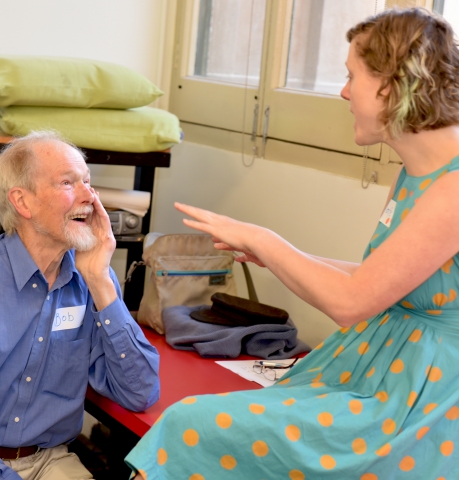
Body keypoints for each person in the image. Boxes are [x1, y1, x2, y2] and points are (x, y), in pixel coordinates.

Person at [125, 7, 459, 479]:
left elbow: (353, 301)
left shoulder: (454, 189)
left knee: (191, 425)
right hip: (381, 369)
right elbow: (380, 277)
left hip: (424, 395)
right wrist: (273, 257)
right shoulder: (413, 175)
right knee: (201, 425)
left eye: (351, 77)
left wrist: (266, 239)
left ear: (392, 84)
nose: (344, 92)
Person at [0, 131, 160, 480]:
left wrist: (101, 280)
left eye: (88, 182)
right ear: (23, 202)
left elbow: (140, 393)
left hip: (52, 459)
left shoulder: (89, 281)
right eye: (68, 182)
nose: (89, 196)